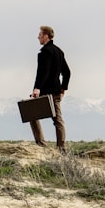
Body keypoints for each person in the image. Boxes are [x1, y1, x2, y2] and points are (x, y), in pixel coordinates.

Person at [30, 25, 71, 154]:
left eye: (40, 35)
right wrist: (63, 87)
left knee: (31, 114)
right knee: (58, 120)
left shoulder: (45, 53)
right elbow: (67, 72)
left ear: (46, 36)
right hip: (56, 91)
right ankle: (61, 148)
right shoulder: (59, 51)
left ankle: (41, 144)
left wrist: (37, 88)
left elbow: (43, 72)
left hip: (46, 92)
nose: (38, 37)